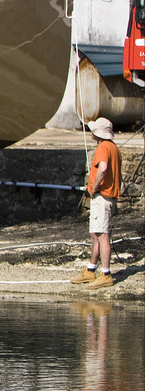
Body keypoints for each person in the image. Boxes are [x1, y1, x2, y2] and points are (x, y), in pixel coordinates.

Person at [74, 118, 123, 289]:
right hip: (109, 197)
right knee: (96, 233)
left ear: (97, 133)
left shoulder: (103, 147)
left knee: (102, 235)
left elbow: (102, 168)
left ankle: (106, 274)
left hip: (102, 196)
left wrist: (93, 188)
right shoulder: (114, 148)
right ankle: (90, 270)